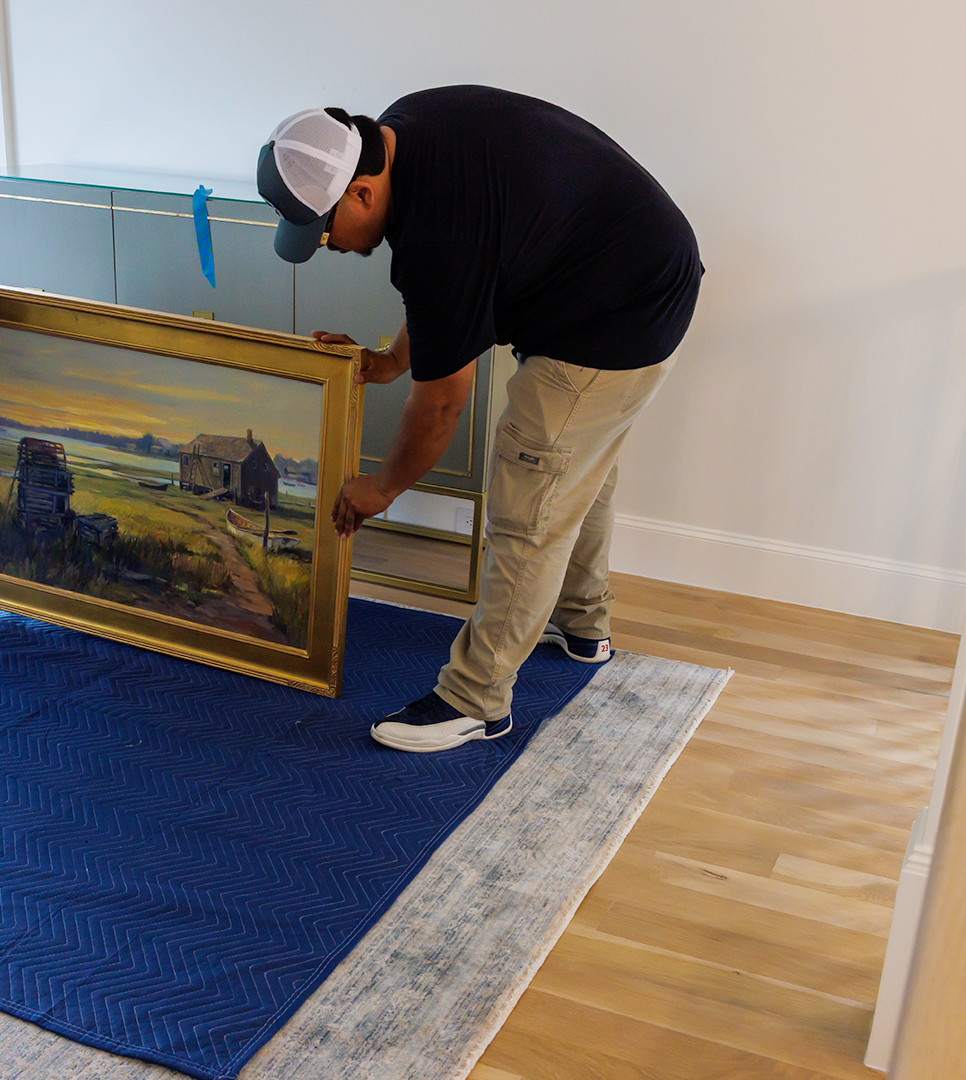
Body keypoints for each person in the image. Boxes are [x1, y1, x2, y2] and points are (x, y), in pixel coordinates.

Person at [257, 86, 701, 752]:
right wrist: (390, 360)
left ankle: (475, 699)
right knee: (575, 464)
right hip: (628, 272)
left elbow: (442, 404)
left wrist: (381, 488)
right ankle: (582, 626)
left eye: (320, 230)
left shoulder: (437, 231)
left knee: (532, 485)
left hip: (619, 309)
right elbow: (447, 296)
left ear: (359, 195)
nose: (323, 244)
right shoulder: (408, 129)